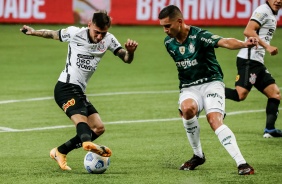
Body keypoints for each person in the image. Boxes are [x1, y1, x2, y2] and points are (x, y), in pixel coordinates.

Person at [20, 10, 138, 171]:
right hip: (65, 87)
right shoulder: (75, 33)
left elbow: (126, 59)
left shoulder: (109, 39)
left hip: (79, 90)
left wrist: (130, 52)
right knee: (81, 120)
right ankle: (87, 143)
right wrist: (33, 32)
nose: (99, 37)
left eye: (103, 33)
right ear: (89, 24)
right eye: (97, 32)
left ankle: (60, 151)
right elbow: (52, 34)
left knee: (98, 128)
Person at [158, 5, 258, 175]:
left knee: (214, 120)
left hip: (212, 82)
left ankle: (242, 163)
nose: (165, 30)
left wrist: (244, 44)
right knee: (187, 109)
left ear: (180, 21)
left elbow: (225, 41)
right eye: (163, 26)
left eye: (168, 26)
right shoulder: (169, 43)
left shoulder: (200, 36)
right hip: (189, 86)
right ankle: (198, 155)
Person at [225, 0, 282, 138]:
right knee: (240, 95)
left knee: (275, 94)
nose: (278, 0)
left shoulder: (272, 14)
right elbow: (248, 31)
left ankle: (269, 129)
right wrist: (267, 47)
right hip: (248, 60)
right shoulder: (263, 10)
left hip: (257, 61)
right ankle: (210, 89)